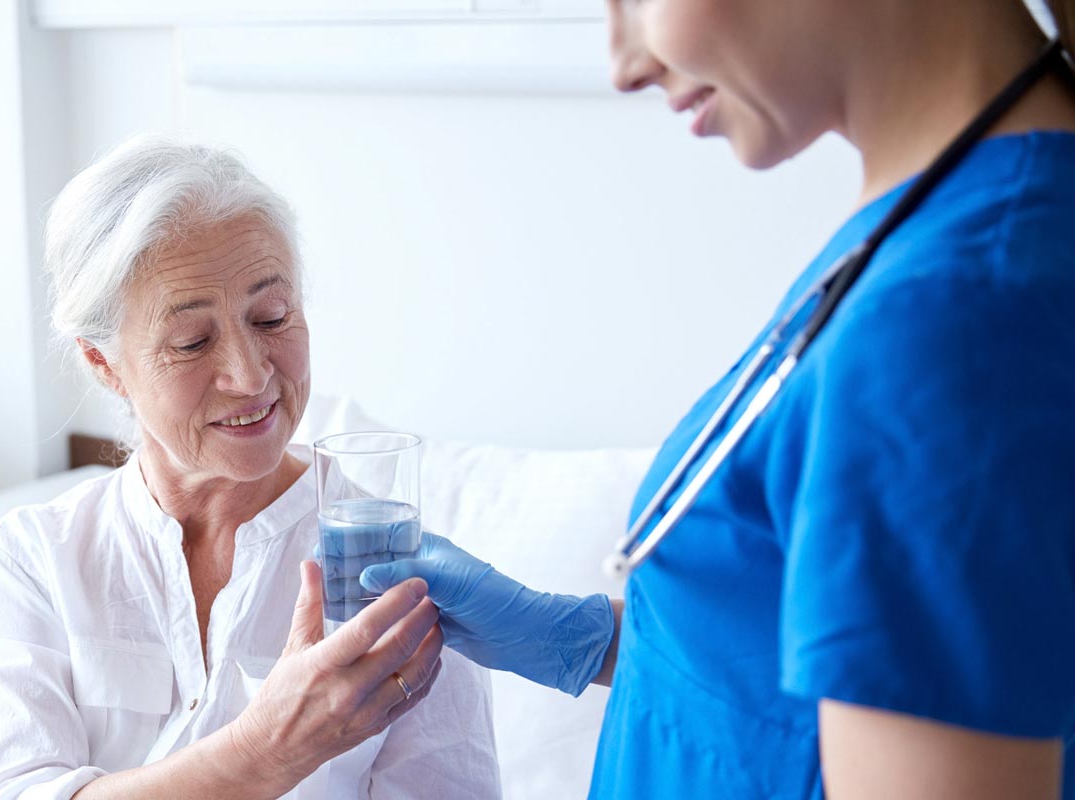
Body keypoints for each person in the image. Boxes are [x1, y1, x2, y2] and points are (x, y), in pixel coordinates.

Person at [359, 1, 1075, 797]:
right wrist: (572, 638)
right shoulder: (949, 225)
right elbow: (830, 667)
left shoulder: (947, 317)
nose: (624, 63)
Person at [0, 137, 501, 800]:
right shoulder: (34, 559)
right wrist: (268, 751)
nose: (249, 376)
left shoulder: (396, 570)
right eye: (191, 341)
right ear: (104, 363)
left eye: (271, 317)